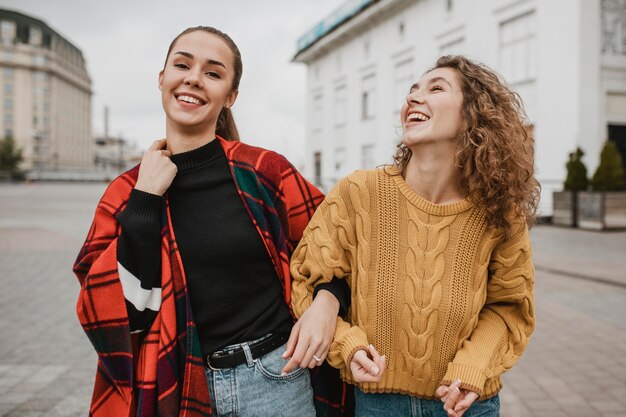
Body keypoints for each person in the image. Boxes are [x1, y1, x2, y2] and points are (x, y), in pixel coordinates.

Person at [74, 26, 353, 417]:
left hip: (277, 380)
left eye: (213, 72)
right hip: (179, 384)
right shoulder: (126, 192)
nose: (193, 78)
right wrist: (145, 200)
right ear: (162, 78)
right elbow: (123, 317)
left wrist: (328, 302)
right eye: (182, 65)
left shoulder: (264, 172)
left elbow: (342, 247)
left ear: (230, 97)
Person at [291, 55, 540, 417]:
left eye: (436, 88)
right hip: (378, 402)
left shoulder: (499, 211)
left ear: (474, 115)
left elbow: (510, 308)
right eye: (412, 91)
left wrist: (472, 369)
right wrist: (348, 345)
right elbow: (308, 280)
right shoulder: (358, 193)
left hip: (466, 403)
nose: (413, 98)